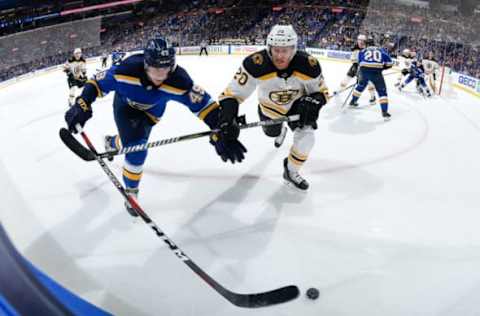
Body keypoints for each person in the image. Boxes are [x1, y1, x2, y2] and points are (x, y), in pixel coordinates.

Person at [64, 37, 245, 216]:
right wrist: (82, 104)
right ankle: (132, 192)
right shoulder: (126, 70)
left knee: (133, 144)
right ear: (146, 64)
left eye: (165, 68)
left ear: (172, 65)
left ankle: (113, 143)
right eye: (155, 68)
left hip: (153, 113)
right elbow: (96, 83)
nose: (160, 75)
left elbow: (205, 105)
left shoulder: (180, 81)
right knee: (137, 150)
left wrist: (220, 128)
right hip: (125, 107)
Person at [216, 24, 329, 190]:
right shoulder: (255, 64)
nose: (280, 56)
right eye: (276, 50)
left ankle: (291, 171)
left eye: (286, 50)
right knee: (272, 134)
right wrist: (227, 119)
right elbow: (232, 94)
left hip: (297, 108)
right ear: (269, 48)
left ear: (294, 49)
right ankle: (280, 130)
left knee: (307, 138)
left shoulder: (308, 65)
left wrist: (315, 102)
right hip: (269, 109)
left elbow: (322, 92)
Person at [349, 37, 394, 120]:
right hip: (377, 72)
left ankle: (353, 101)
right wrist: (382, 68)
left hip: (364, 71)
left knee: (360, 86)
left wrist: (360, 74)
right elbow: (390, 63)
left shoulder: (362, 51)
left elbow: (358, 62)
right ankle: (384, 112)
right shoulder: (381, 50)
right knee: (382, 91)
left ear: (366, 44)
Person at [340, 34, 376, 105]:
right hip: (357, 67)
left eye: (362, 41)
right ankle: (339, 90)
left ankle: (372, 97)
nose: (361, 42)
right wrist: (358, 73)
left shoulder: (366, 47)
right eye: (360, 40)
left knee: (369, 83)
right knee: (348, 78)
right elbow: (354, 60)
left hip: (363, 67)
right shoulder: (356, 48)